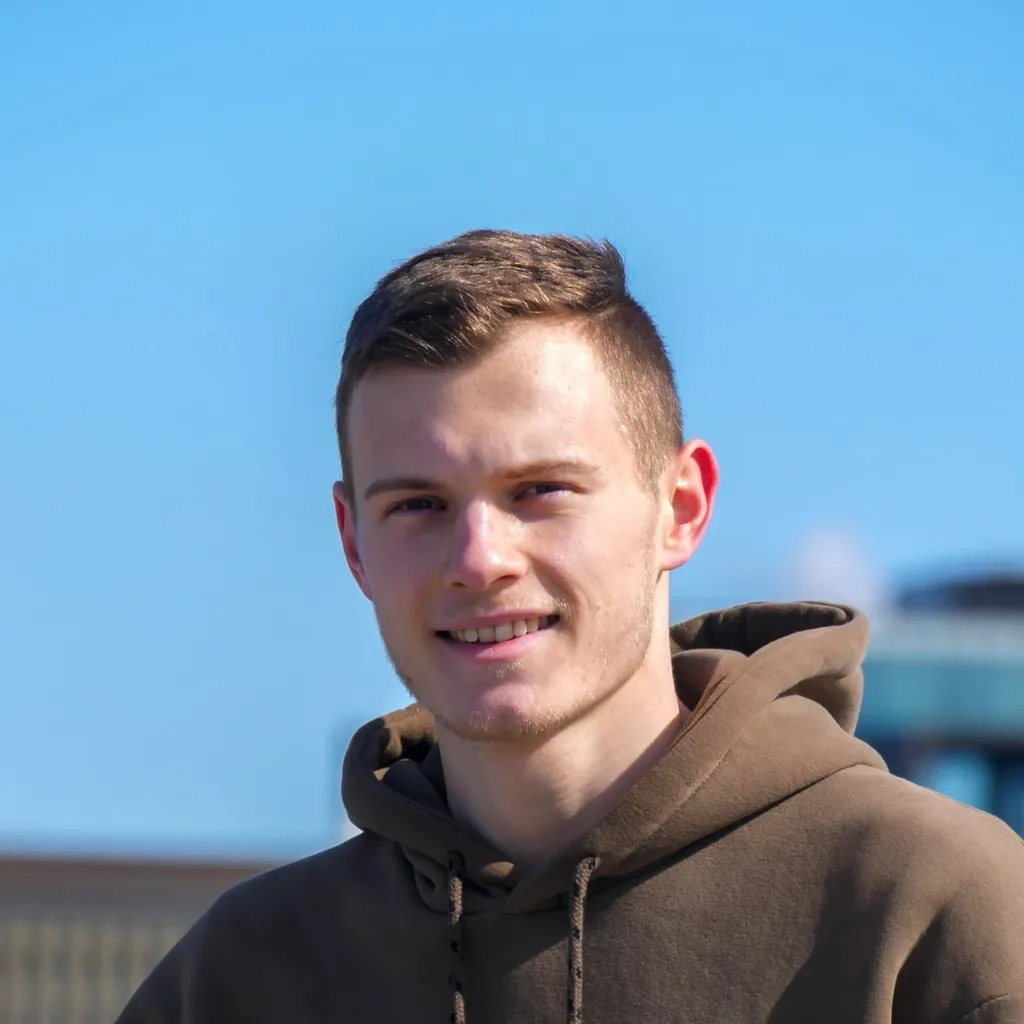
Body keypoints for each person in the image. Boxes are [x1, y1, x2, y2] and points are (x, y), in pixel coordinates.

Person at [117, 230, 1024, 1024]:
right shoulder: (238, 978)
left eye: (539, 491)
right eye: (418, 504)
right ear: (353, 542)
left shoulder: (936, 913)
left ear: (680, 507)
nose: (479, 558)